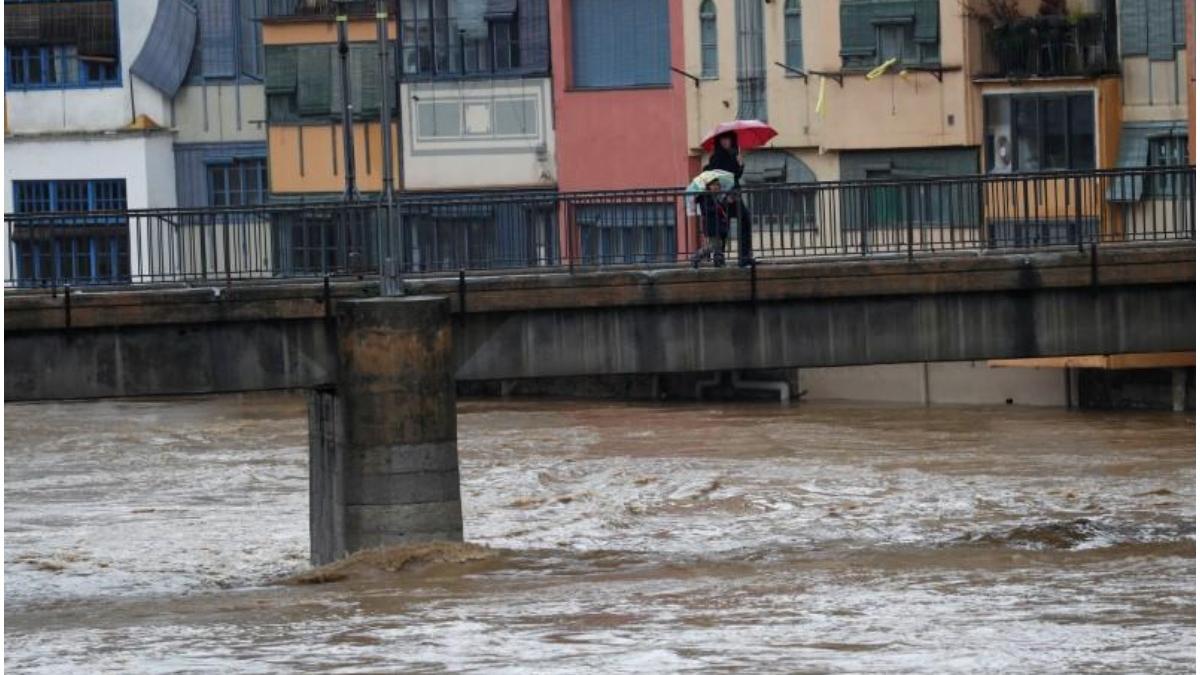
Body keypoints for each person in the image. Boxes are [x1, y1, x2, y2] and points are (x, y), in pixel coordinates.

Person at [704, 132, 754, 267]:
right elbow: (713, 179)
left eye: (727, 139)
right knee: (722, 228)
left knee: (745, 220)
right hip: (723, 198)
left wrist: (741, 164)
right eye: (722, 139)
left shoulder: (734, 154)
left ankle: (744, 256)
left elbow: (736, 175)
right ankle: (719, 258)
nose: (725, 142)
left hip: (735, 195)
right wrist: (724, 195)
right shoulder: (716, 157)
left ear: (732, 140)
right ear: (719, 141)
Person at [689, 178, 732, 268]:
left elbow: (722, 208)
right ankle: (696, 256)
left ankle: (719, 262)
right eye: (714, 185)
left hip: (719, 224)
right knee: (714, 245)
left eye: (718, 185)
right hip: (711, 224)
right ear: (708, 186)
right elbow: (706, 210)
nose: (716, 187)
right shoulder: (705, 196)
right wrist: (717, 209)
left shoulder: (715, 196)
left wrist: (725, 202)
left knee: (719, 245)